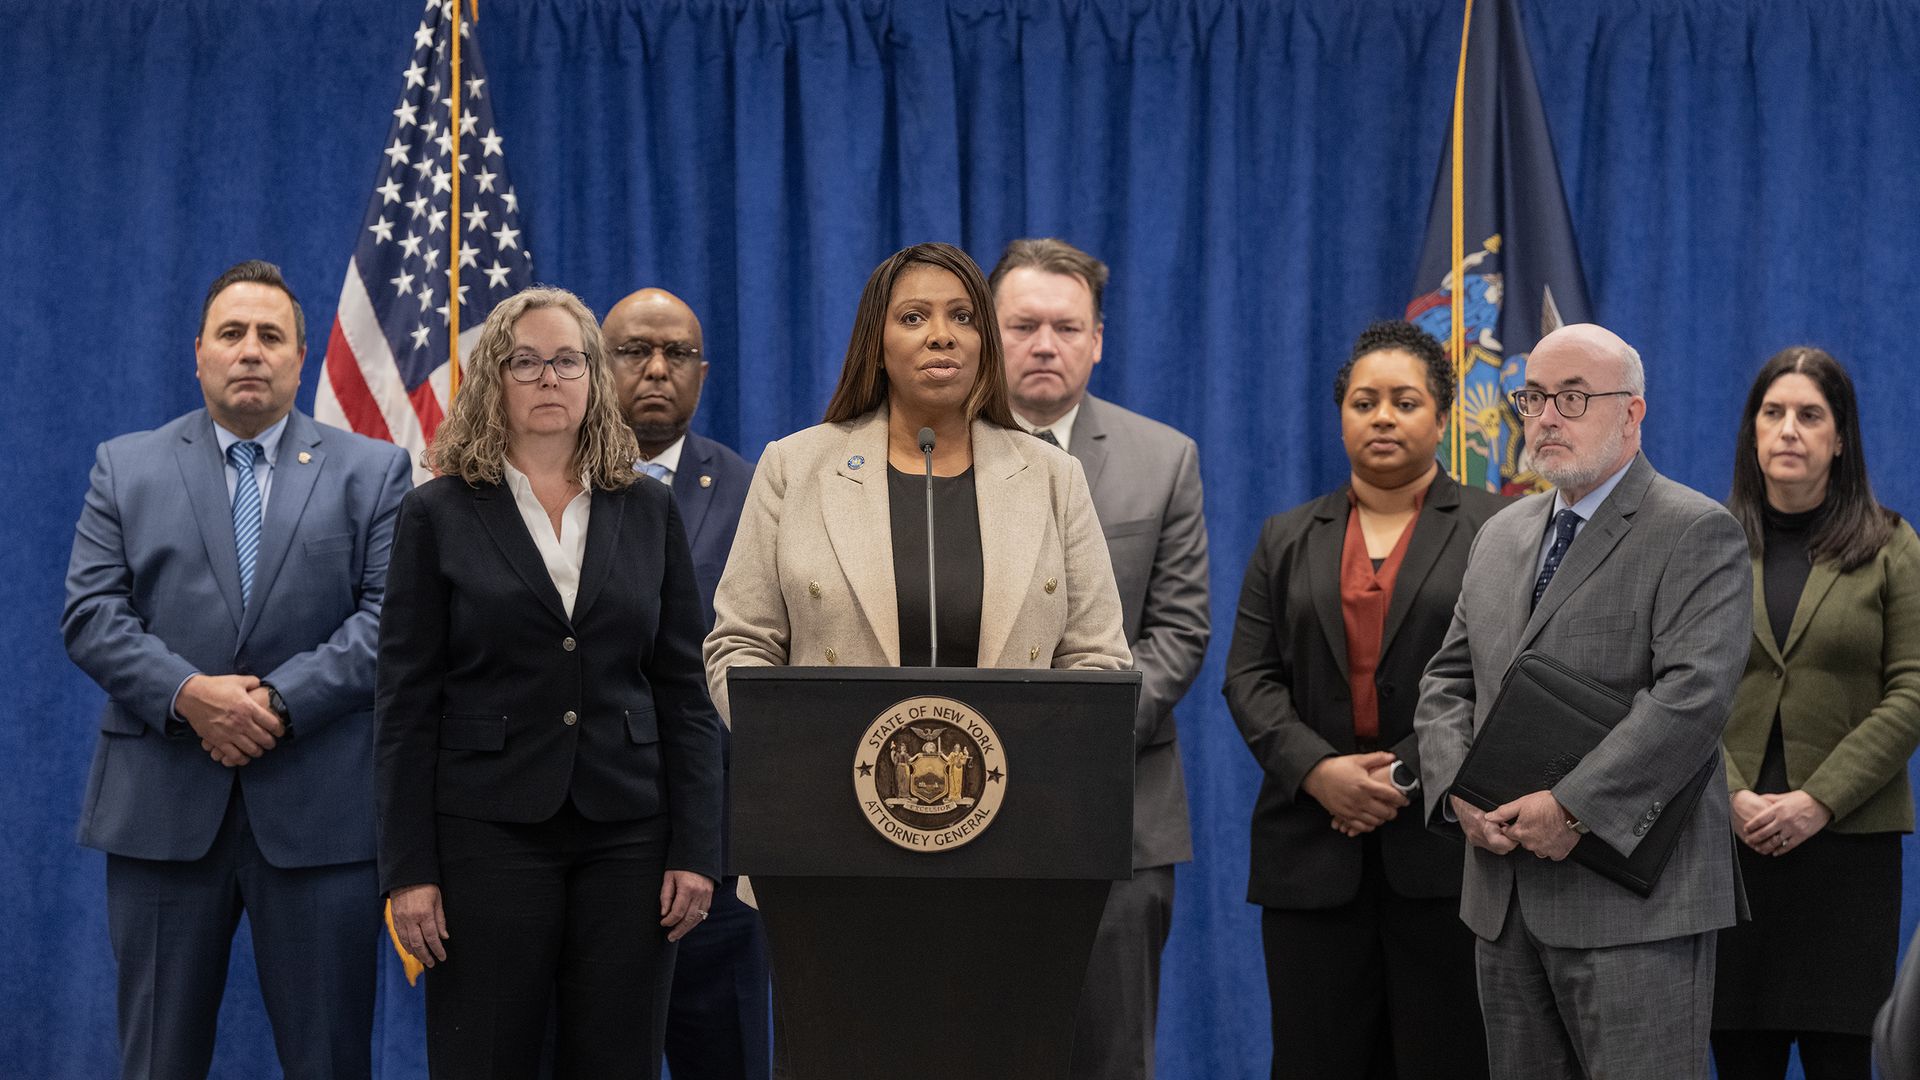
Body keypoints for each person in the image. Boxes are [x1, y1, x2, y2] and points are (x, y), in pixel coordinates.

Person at [702, 241, 1132, 1068]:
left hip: (1017, 859)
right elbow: (738, 643)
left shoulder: (1050, 478)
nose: (942, 336)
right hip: (830, 854)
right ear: (878, 340)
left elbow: (1099, 661)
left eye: (962, 317)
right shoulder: (799, 466)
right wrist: (800, 746)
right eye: (915, 317)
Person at [62, 259, 412, 1080]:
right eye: (231, 334)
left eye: (270, 335)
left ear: (300, 357)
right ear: (198, 355)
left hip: (323, 818)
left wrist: (277, 703)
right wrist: (189, 697)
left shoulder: (374, 471)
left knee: (330, 1061)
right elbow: (90, 616)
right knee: (156, 1061)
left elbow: (391, 622)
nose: (250, 350)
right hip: (161, 815)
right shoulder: (126, 466)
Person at [377, 286, 723, 1079]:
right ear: (493, 380)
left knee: (616, 1060)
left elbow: (683, 693)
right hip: (485, 834)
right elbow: (404, 705)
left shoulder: (646, 508)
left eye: (566, 361)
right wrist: (410, 871)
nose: (546, 379)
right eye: (524, 362)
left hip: (630, 836)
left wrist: (698, 849)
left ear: (593, 377)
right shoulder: (438, 513)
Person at [1412, 323, 1752, 1080]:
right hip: (1502, 900)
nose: (1546, 417)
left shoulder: (1696, 530)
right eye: (1534, 397)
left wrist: (1573, 807)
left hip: (1635, 909)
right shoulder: (1500, 534)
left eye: (1573, 397)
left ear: (1631, 414)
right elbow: (1447, 681)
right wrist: (1458, 792)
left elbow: (1693, 699)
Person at [1224, 321, 1497, 1080]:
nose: (1382, 417)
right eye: (1364, 401)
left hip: (1444, 854)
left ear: (1442, 419)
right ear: (1340, 415)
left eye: (1404, 402)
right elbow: (1249, 677)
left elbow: (1500, 679)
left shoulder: (1496, 530)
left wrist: (1399, 779)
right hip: (1310, 851)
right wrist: (1321, 774)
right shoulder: (1286, 537)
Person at [988, 238, 1211, 1080]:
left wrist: (1072, 738)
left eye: (1065, 326)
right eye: (1024, 325)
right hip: (961, 812)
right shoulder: (928, 452)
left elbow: (1179, 632)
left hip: (1119, 814)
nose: (1045, 343)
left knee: (1110, 1059)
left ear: (1098, 340)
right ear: (987, 333)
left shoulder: (1164, 460)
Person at [1709, 347, 1920, 1080]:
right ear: (1752, 431)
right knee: (1739, 1058)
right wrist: (1732, 794)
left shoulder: (1892, 547)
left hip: (1846, 851)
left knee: (1842, 1059)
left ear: (1840, 438)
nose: (1788, 430)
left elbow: (1914, 689)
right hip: (1728, 848)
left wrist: (1817, 800)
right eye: (1773, 413)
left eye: (1809, 415)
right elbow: (1674, 687)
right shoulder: (1706, 547)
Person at [603, 287, 768, 1080]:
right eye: (635, 352)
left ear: (704, 373)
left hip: (721, 847)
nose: (657, 370)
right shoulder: (543, 490)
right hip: (582, 838)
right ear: (600, 368)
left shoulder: (756, 492)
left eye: (677, 355)